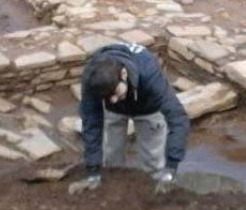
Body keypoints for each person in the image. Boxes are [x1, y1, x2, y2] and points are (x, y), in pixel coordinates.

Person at [68, 43, 191, 195]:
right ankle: (112, 192)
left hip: (148, 107)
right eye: (107, 96)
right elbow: (91, 123)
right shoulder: (93, 78)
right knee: (111, 156)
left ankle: (152, 196)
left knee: (151, 161)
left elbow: (178, 119)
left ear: (124, 74)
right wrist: (93, 171)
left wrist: (171, 167)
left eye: (115, 92)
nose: (113, 99)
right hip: (115, 112)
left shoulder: (149, 74)